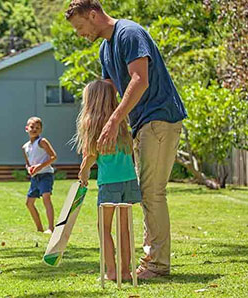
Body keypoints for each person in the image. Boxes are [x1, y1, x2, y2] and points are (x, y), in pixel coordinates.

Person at [65, 0, 187, 278]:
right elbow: (108, 92)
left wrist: (114, 120)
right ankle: (148, 260)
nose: (79, 34)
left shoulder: (128, 34)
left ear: (93, 15)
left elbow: (139, 80)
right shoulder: (104, 49)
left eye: (80, 27)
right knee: (147, 192)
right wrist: (93, 125)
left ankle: (157, 265)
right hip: (141, 123)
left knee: (152, 192)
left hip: (159, 117)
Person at [74, 80, 141, 281]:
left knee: (104, 228)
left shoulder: (92, 122)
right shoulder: (121, 121)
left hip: (109, 183)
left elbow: (92, 155)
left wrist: (84, 171)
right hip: (129, 180)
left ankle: (111, 272)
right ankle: (126, 272)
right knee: (124, 229)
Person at [22, 117, 57, 234]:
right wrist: (29, 169)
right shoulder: (25, 147)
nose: (34, 129)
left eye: (37, 128)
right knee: (29, 203)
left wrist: (39, 167)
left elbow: (53, 157)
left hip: (46, 175)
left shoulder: (42, 142)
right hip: (35, 177)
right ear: (26, 128)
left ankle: (51, 228)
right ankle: (39, 228)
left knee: (46, 198)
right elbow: (28, 164)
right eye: (32, 127)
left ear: (41, 130)